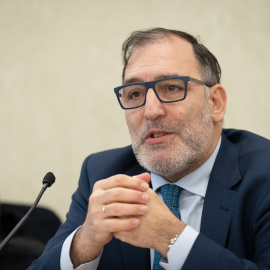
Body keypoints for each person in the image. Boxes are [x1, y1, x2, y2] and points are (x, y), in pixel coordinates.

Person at [27, 28, 270, 270]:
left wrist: (172, 239)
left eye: (172, 88)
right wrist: (83, 243)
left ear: (215, 103)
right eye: (134, 94)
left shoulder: (263, 174)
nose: (151, 111)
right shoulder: (103, 172)